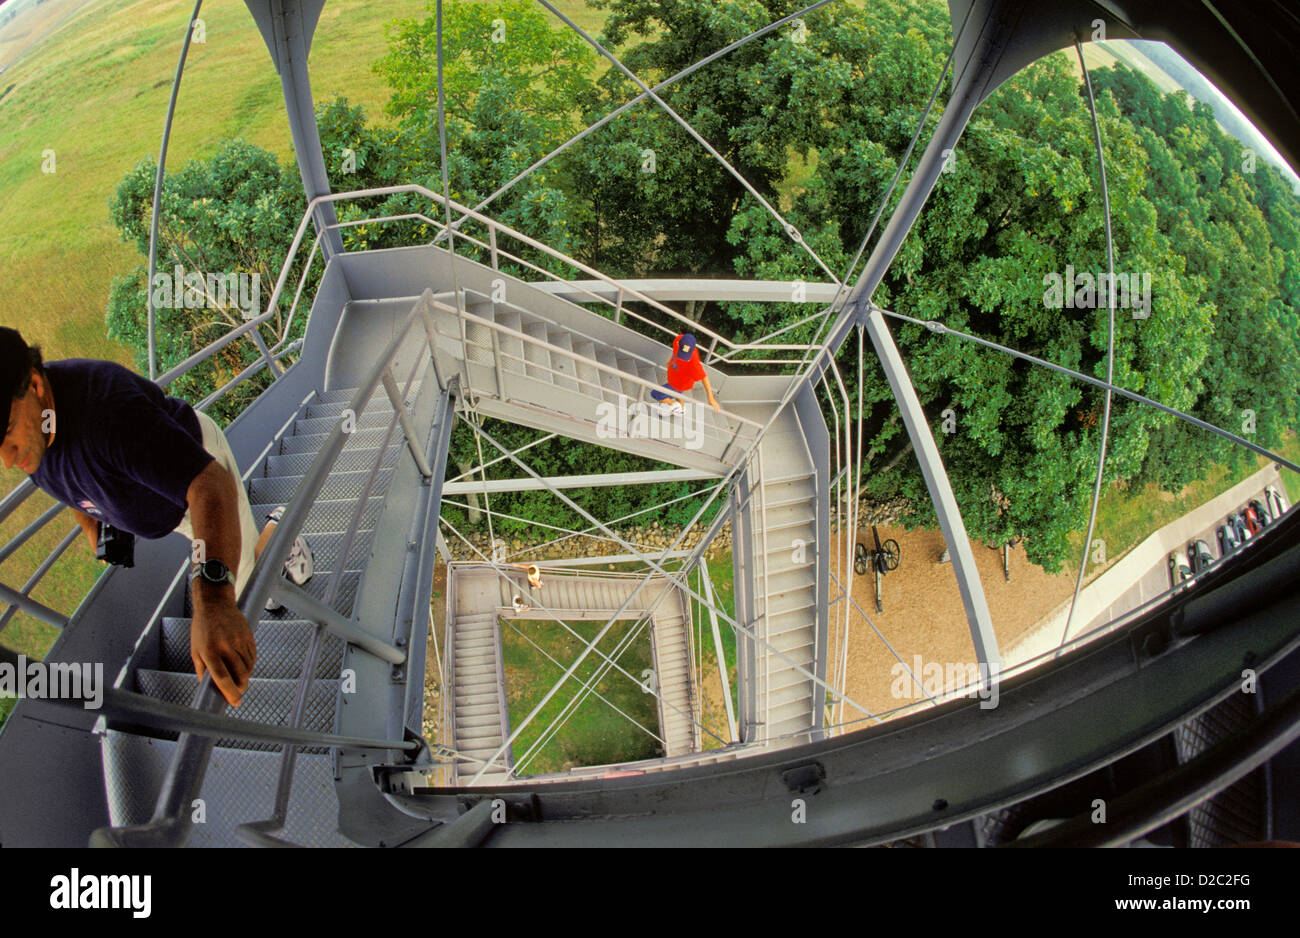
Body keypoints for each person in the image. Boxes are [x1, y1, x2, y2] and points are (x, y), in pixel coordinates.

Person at [0, 328, 313, 707]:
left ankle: (280, 531)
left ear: (34, 385)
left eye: (6, 433)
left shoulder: (109, 416)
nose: (6, 460)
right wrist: (99, 533)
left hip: (197, 477)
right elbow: (68, 483)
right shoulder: (36, 430)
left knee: (247, 589)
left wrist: (212, 602)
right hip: (166, 503)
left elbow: (209, 484)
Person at [649, 333, 720, 415]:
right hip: (673, 378)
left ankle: (674, 406)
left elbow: (704, 377)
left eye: (686, 356)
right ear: (679, 344)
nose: (683, 358)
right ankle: (681, 408)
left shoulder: (693, 362)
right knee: (677, 395)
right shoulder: (678, 341)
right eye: (682, 354)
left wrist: (710, 398)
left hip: (679, 384)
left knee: (655, 394)